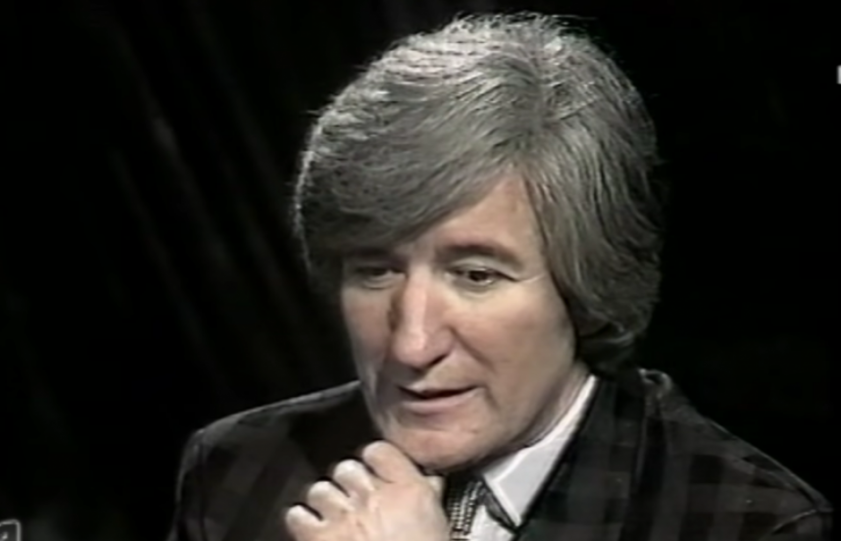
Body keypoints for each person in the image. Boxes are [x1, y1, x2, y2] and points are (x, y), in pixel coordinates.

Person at [165, 13, 831, 541]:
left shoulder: (749, 523)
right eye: (376, 270)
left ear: (585, 288)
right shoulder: (238, 468)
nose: (412, 345)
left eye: (476, 275)